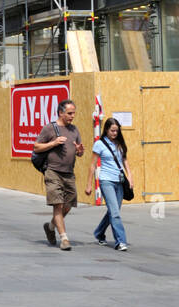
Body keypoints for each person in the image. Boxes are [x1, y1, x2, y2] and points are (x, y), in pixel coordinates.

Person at [33, 100, 84, 250]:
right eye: (69, 113)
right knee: (58, 204)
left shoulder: (74, 129)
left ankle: (50, 227)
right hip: (52, 171)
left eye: (74, 113)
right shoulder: (49, 128)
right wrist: (53, 143)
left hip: (69, 173)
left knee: (68, 205)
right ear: (61, 112)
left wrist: (80, 151)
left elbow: (79, 152)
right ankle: (64, 239)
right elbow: (36, 147)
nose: (72, 116)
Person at [92, 117, 133, 251]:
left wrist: (130, 177)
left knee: (113, 211)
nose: (114, 133)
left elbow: (124, 160)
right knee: (115, 213)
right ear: (106, 130)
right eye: (112, 131)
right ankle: (121, 241)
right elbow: (92, 165)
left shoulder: (120, 143)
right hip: (106, 181)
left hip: (120, 181)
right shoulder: (99, 144)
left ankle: (99, 232)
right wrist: (89, 184)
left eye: (116, 131)